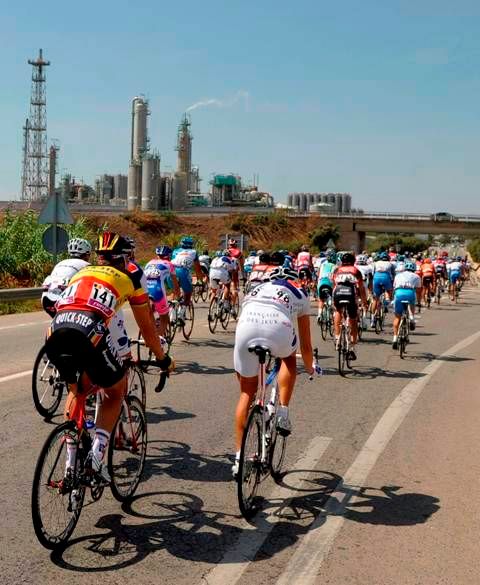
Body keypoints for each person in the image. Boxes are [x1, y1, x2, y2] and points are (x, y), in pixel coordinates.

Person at [44, 232, 173, 485]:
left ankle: (70, 467)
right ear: (125, 259)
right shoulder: (129, 278)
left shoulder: (82, 272)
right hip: (87, 331)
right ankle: (96, 459)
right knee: (115, 391)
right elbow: (147, 328)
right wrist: (162, 359)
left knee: (76, 391)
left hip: (54, 331)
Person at [232, 265, 313, 478]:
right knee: (288, 358)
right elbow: (305, 345)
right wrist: (311, 367)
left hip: (246, 329)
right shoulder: (299, 292)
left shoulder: (254, 289)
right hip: (278, 328)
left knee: (246, 393)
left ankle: (239, 458)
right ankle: (283, 413)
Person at [41, 238, 92, 316]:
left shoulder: (60, 263)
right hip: (66, 301)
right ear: (87, 254)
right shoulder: (87, 265)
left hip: (46, 300)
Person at [332, 252, 368, 361]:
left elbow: (334, 285)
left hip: (338, 293)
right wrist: (364, 301)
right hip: (350, 294)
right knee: (353, 319)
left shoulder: (337, 270)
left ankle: (338, 337)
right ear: (353, 261)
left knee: (338, 311)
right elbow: (361, 288)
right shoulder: (356, 270)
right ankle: (352, 347)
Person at [144, 245, 181, 336]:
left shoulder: (149, 263)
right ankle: (158, 343)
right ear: (169, 256)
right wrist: (178, 296)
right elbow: (175, 285)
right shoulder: (169, 264)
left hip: (145, 291)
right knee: (164, 319)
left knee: (149, 314)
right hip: (158, 291)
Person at [171, 236, 204, 322]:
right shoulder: (193, 252)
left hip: (171, 271)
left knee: (175, 290)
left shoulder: (175, 251)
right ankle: (182, 313)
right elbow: (197, 269)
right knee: (188, 293)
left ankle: (172, 312)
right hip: (183, 271)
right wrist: (200, 280)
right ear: (191, 245)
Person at [391, 260, 421, 349]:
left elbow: (394, 288)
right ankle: (411, 318)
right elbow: (419, 291)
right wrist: (419, 302)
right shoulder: (416, 276)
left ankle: (395, 339)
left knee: (397, 317)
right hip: (410, 293)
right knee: (412, 304)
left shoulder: (398, 275)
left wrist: (393, 298)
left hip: (399, 292)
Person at [370, 251, 395, 328]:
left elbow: (372, 273)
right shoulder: (391, 264)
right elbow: (393, 274)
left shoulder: (375, 263)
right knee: (389, 290)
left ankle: (372, 318)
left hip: (376, 277)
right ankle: (386, 303)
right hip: (386, 278)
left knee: (375, 299)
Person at [316, 250, 337, 319]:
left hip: (321, 282)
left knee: (321, 299)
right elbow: (335, 277)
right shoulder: (335, 266)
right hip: (330, 282)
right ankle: (334, 313)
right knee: (334, 298)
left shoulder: (322, 264)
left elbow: (318, 274)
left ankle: (319, 314)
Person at [227, 238, 244, 309]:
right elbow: (242, 264)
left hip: (224, 270)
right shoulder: (239, 252)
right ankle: (233, 307)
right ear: (235, 244)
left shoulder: (226, 251)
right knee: (234, 288)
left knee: (225, 286)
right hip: (234, 272)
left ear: (229, 244)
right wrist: (242, 272)